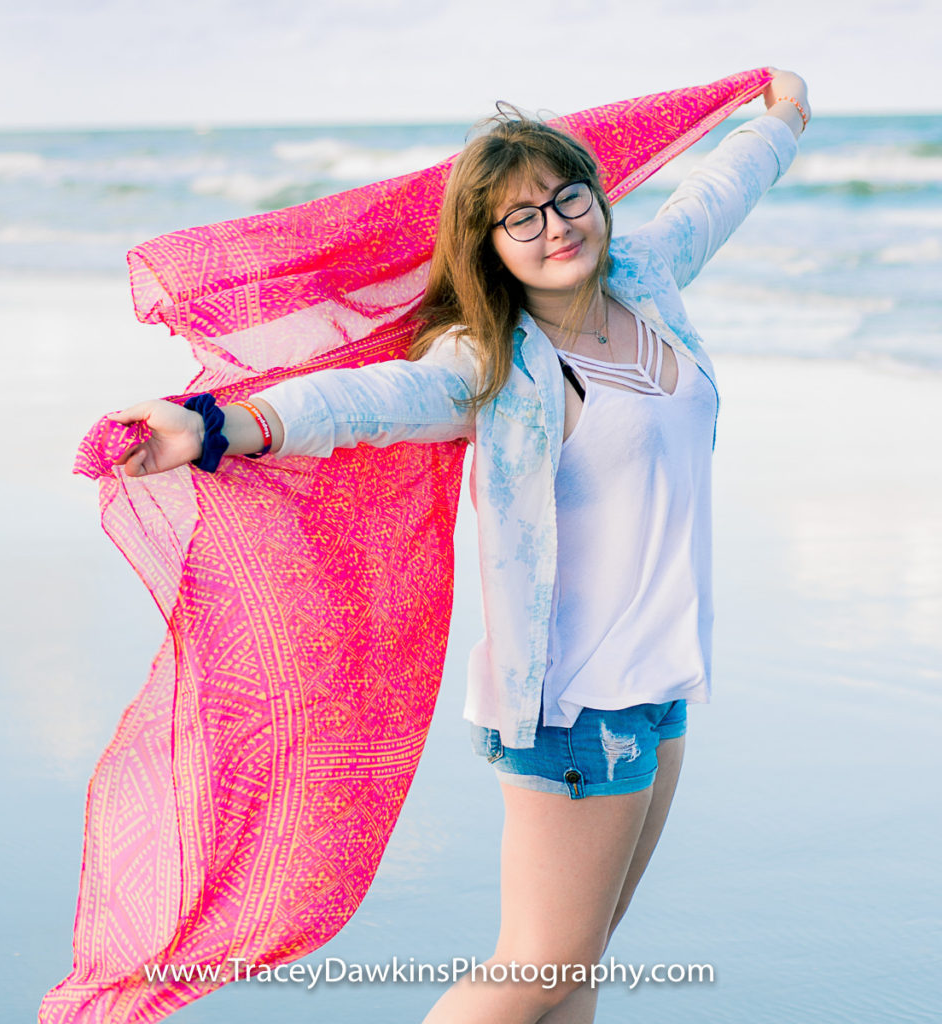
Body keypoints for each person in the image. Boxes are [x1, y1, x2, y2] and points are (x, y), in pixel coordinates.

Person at [110, 69, 809, 1024]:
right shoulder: (489, 364)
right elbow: (358, 402)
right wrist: (217, 425)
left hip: (657, 685)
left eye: (569, 198)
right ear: (488, 245)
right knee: (532, 970)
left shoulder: (646, 280)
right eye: (522, 218)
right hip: (574, 707)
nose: (556, 226)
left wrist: (785, 114)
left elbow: (720, 192)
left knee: (575, 965)